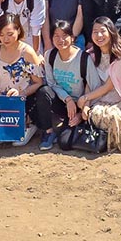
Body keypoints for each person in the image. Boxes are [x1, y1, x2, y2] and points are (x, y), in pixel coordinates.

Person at [0, 12, 53, 151]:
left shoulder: (27, 51)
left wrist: (21, 93)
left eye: (10, 34)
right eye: (1, 34)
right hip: (1, 96)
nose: (5, 38)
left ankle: (28, 123)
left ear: (18, 31)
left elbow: (39, 82)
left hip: (23, 99)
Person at [76, 17, 121, 153]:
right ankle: (99, 143)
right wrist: (86, 103)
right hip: (98, 97)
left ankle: (115, 144)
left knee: (112, 116)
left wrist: (86, 98)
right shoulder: (91, 55)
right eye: (95, 32)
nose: (99, 35)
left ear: (111, 32)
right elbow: (89, 81)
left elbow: (109, 86)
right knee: (95, 113)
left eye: (102, 31)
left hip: (119, 98)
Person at [42, 20, 98, 151]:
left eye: (64, 36)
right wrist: (67, 99)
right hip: (63, 101)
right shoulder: (50, 55)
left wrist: (80, 112)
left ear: (72, 38)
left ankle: (68, 125)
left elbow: (94, 85)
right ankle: (49, 131)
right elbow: (51, 83)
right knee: (43, 92)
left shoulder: (83, 58)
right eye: (56, 36)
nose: (60, 40)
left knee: (65, 144)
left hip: (81, 104)